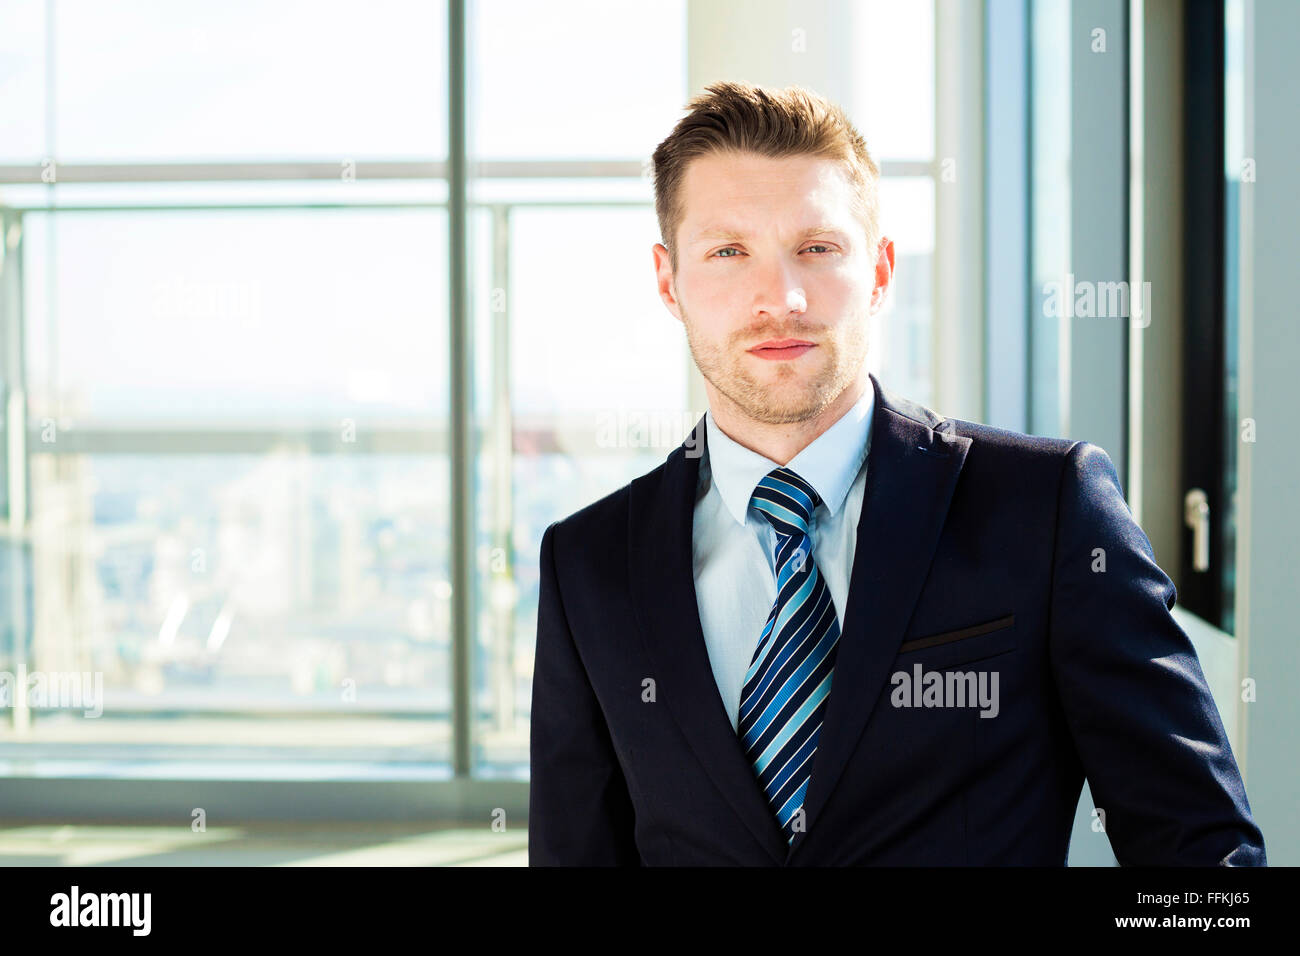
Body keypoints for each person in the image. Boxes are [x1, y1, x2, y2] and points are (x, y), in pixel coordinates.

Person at [528, 81, 1266, 866]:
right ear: (669, 281)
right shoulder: (589, 567)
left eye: (817, 248)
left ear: (880, 271)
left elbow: (1202, 856)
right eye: (728, 251)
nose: (780, 297)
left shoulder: (1047, 512)